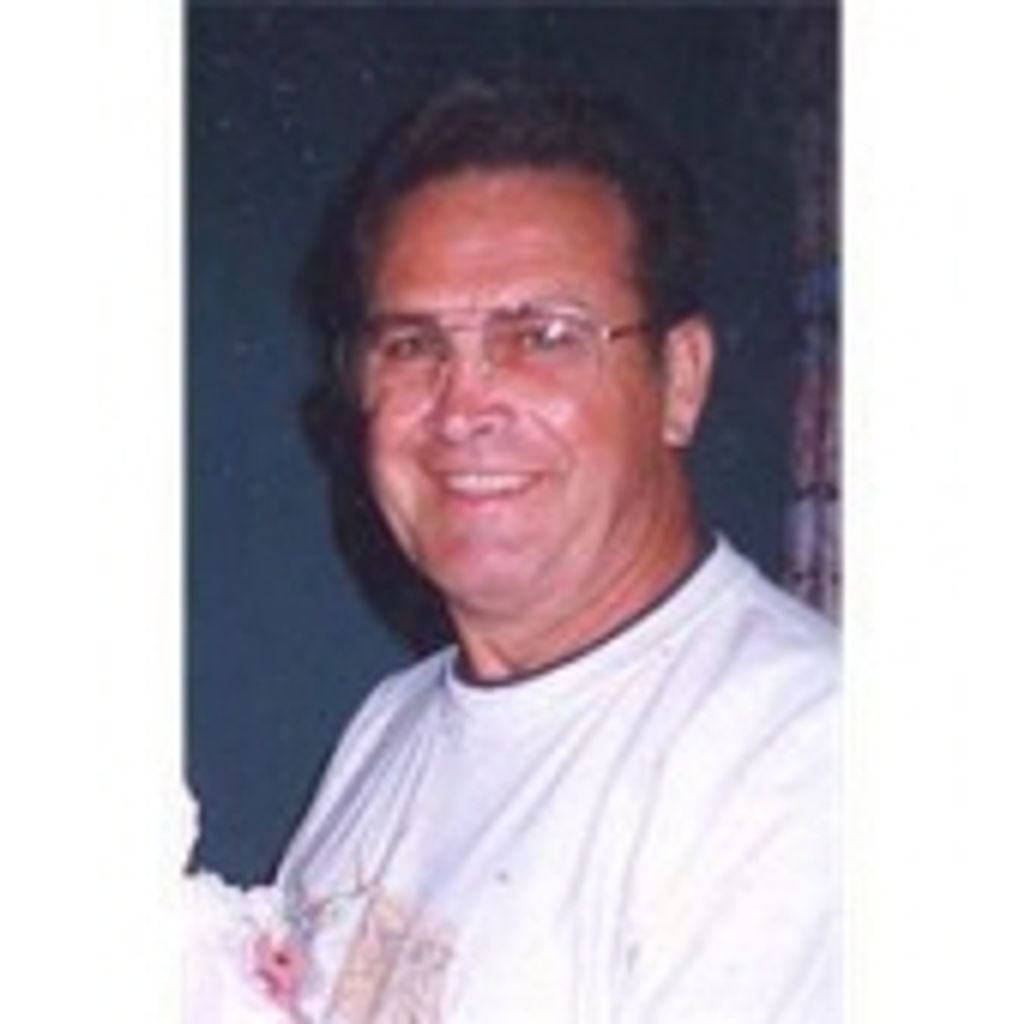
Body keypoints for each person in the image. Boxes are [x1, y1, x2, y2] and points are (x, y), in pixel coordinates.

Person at [277, 77, 839, 1023]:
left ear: (680, 381)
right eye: (412, 345)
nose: (463, 408)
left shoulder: (797, 756)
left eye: (541, 337)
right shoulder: (392, 722)